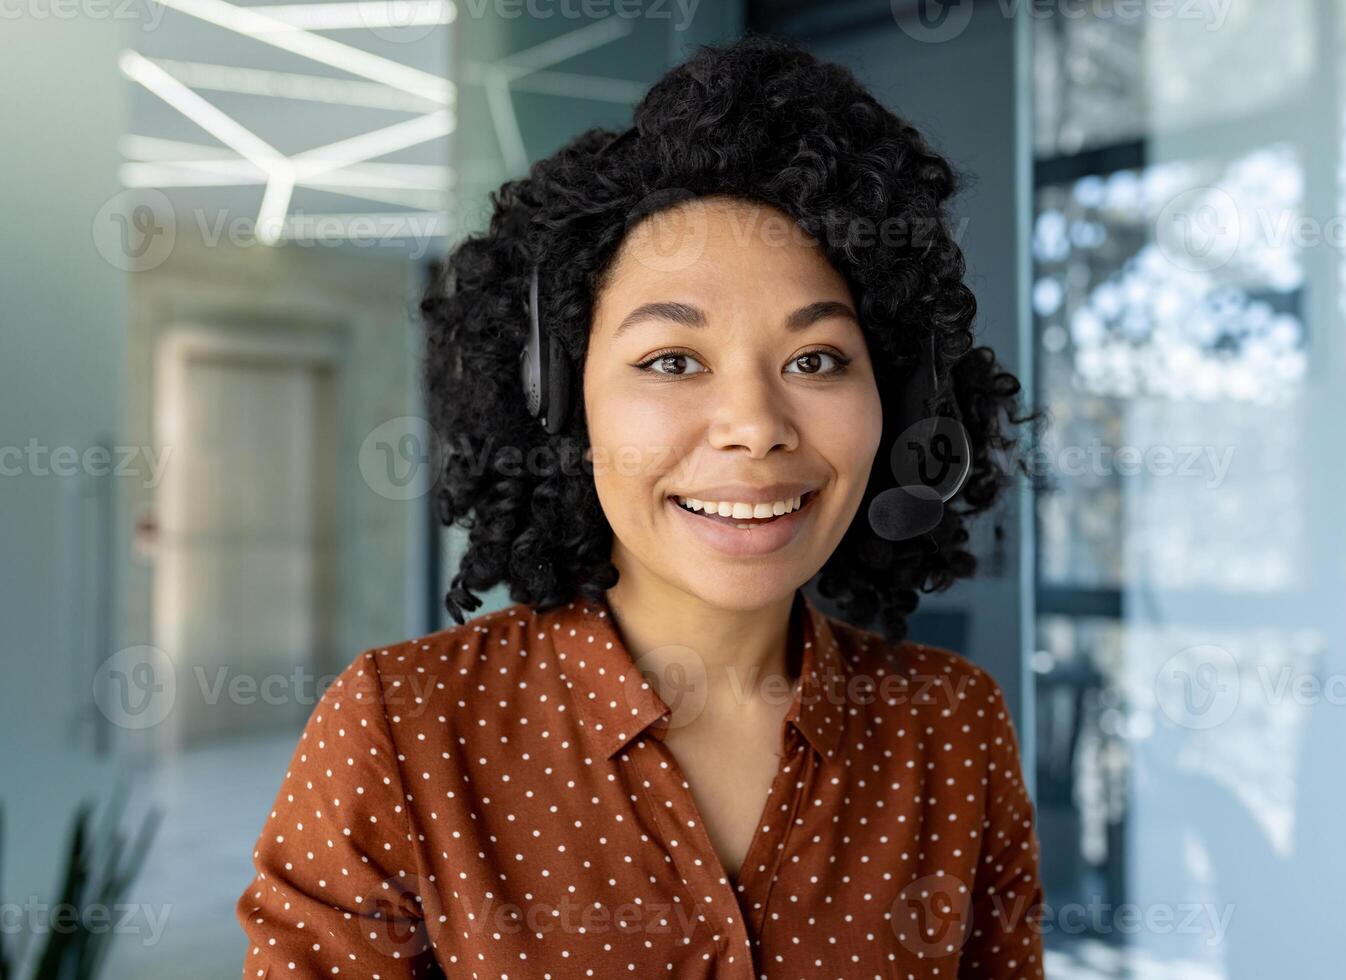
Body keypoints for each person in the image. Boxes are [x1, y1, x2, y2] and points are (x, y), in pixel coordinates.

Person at [236, 32, 1045, 979]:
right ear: (559, 402)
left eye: (816, 360)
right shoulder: (402, 730)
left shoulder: (954, 728)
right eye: (672, 360)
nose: (754, 426)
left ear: (902, 404)